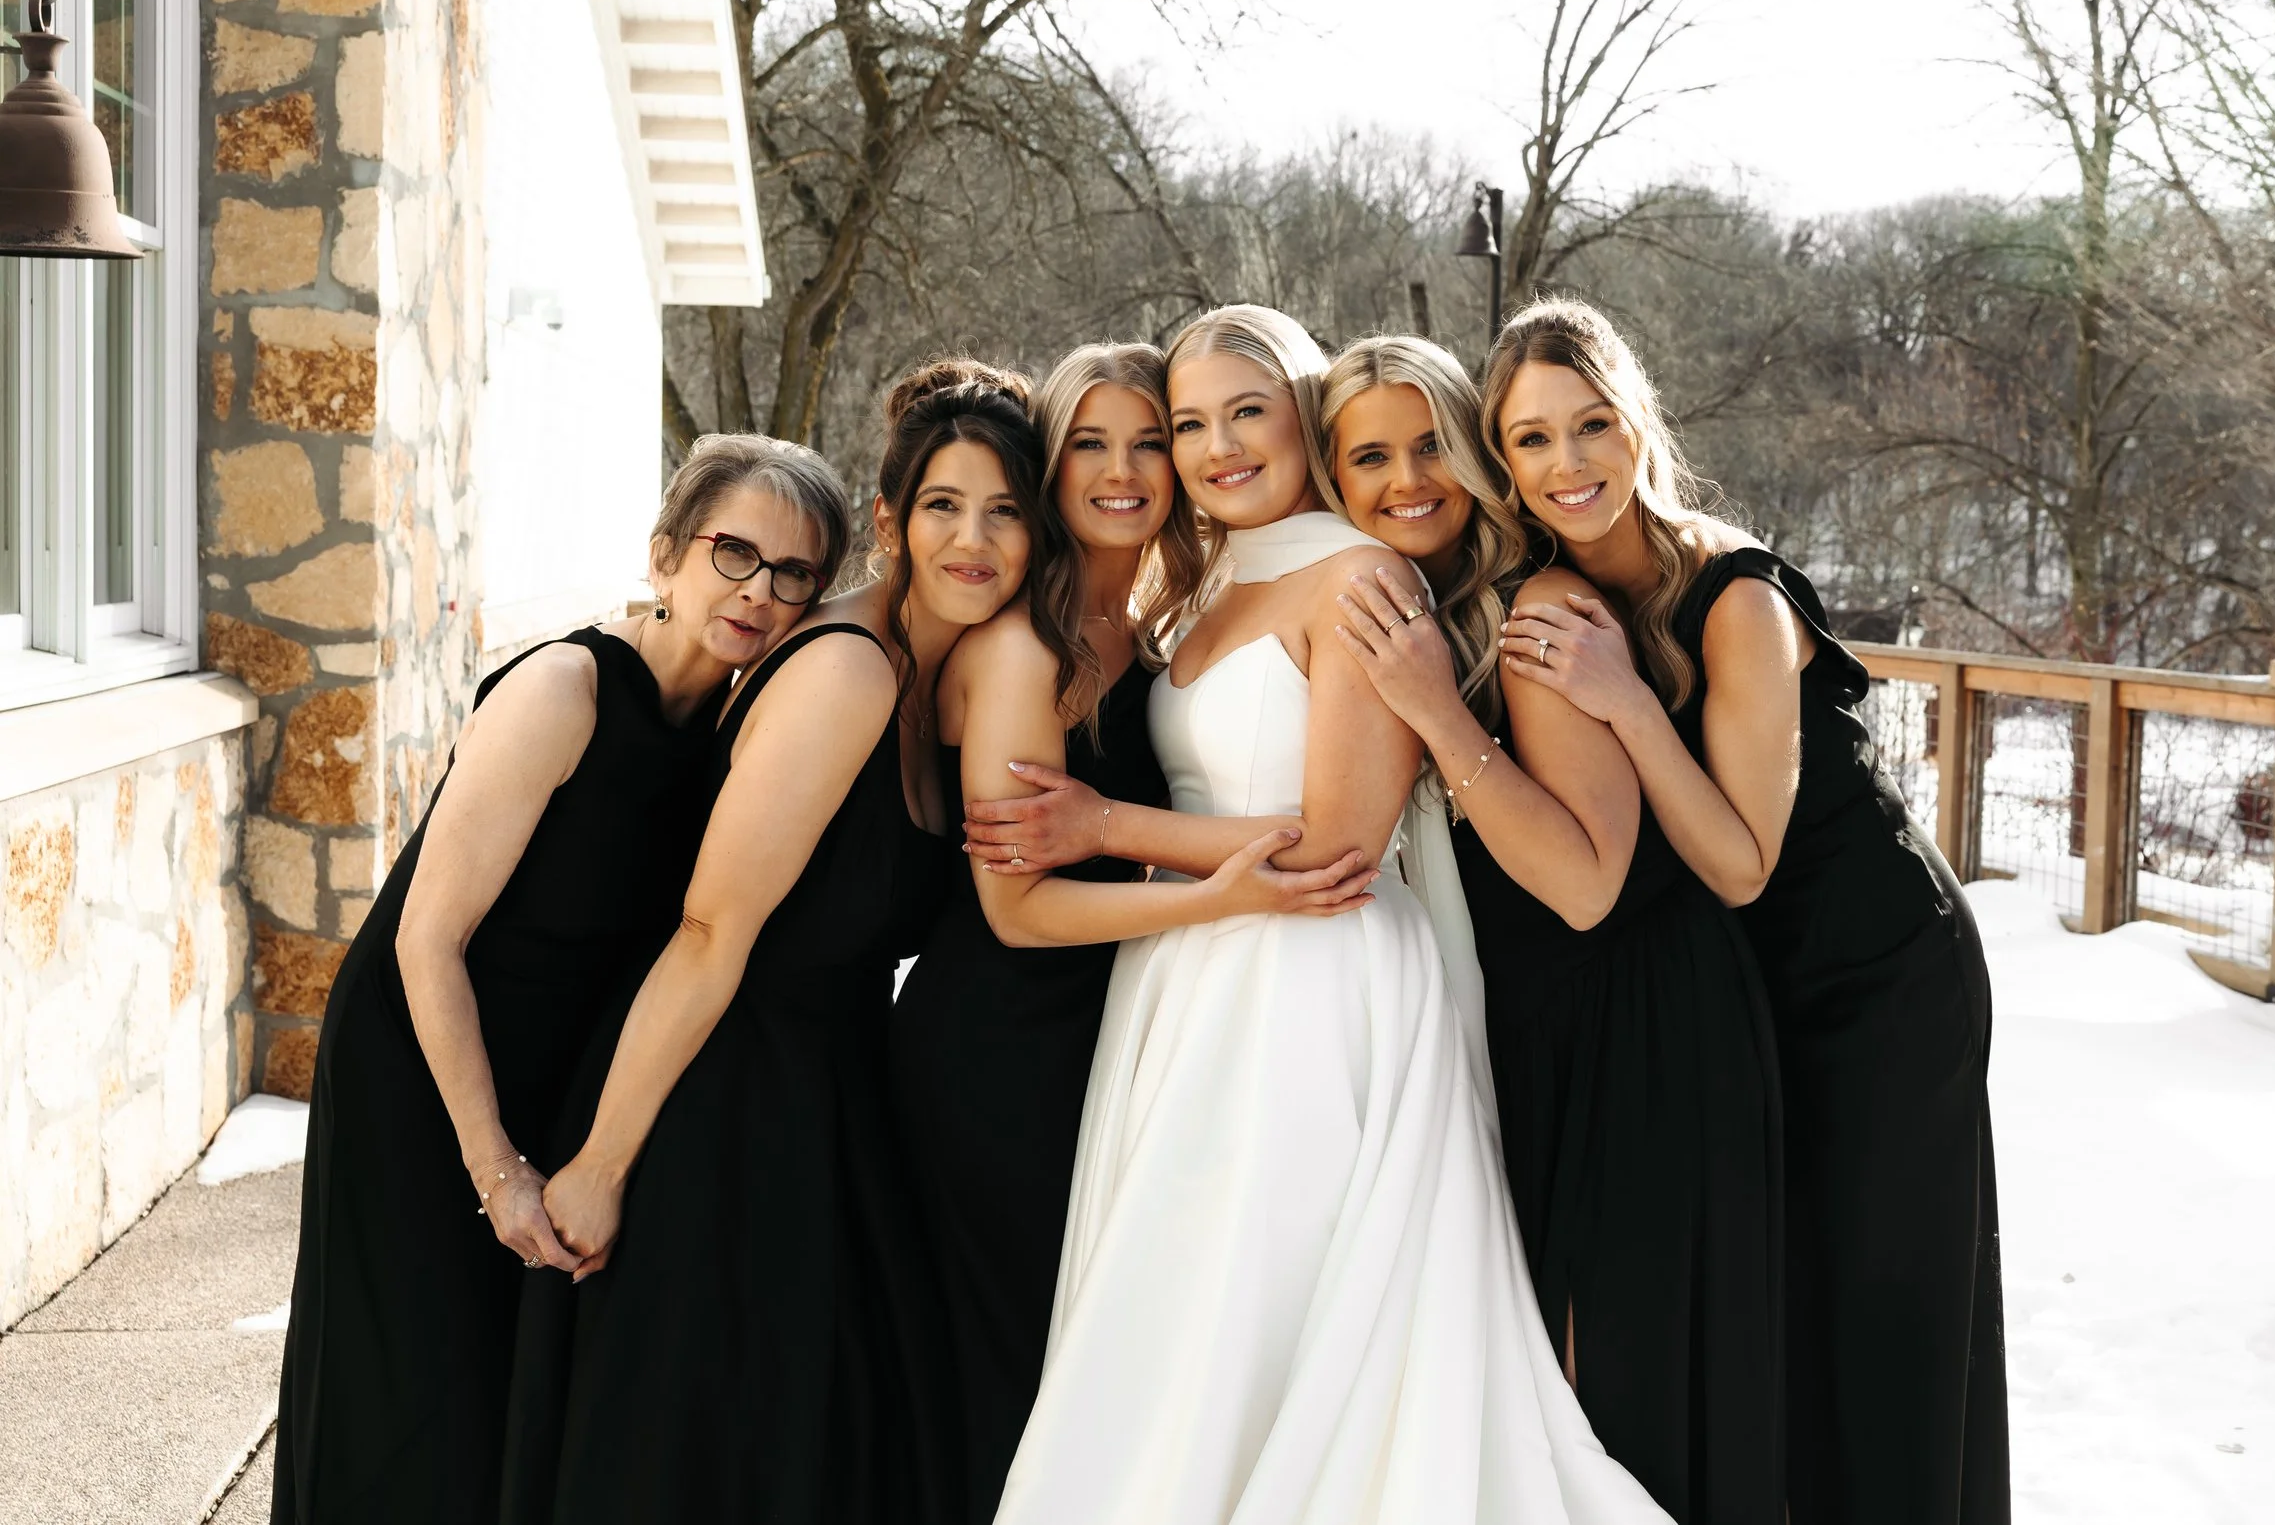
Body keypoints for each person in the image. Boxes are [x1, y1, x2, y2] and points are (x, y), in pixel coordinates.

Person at [984, 306, 1667, 1525]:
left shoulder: (1360, 577)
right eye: (1189, 421)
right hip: (1197, 973)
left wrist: (1108, 827)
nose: (1214, 445)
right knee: (1182, 1314)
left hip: (1314, 981)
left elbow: (1343, 843)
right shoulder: (1200, 584)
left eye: (1246, 411)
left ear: (1300, 416)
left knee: (1270, 1304)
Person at [1489, 299, 2011, 1525]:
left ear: (1637, 423)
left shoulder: (1732, 596)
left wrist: (1620, 699)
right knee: (1797, 1298)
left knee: (1889, 1297)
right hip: (1758, 986)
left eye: (1591, 425)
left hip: (1880, 970)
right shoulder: (1557, 591)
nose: (1569, 464)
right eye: (1531, 440)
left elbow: (1736, 859)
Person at [500, 365, 1042, 1524]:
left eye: (1005, 510)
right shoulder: (845, 668)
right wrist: (601, 1161)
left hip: (819, 1105)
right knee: (703, 1454)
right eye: (943, 505)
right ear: (890, 519)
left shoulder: (934, 677)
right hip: (715, 1103)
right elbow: (708, 930)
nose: (975, 539)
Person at [271, 434, 846, 1524]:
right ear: (665, 554)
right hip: (426, 1062)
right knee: (402, 1386)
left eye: (792, 573)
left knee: (499, 1389)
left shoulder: (731, 727)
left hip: (552, 1066)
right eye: (733, 552)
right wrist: (493, 1167)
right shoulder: (566, 686)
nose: (757, 590)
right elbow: (425, 939)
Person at [890, 342, 1375, 1524]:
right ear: (1049, 466)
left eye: (1148, 439)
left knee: (1102, 1353)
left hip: (1112, 1021)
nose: (1124, 469)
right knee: (1018, 1361)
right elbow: (1016, 906)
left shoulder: (1150, 627)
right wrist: (1219, 895)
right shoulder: (1023, 649)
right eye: (1089, 444)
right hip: (1000, 1039)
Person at [1322, 335, 1785, 1522]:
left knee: (1622, 1391)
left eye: (1432, 445)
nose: (1406, 478)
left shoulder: (1543, 608)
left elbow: (1585, 881)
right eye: (1369, 455)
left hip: (1636, 1022)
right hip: (1541, 1021)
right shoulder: (1426, 606)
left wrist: (1432, 710)